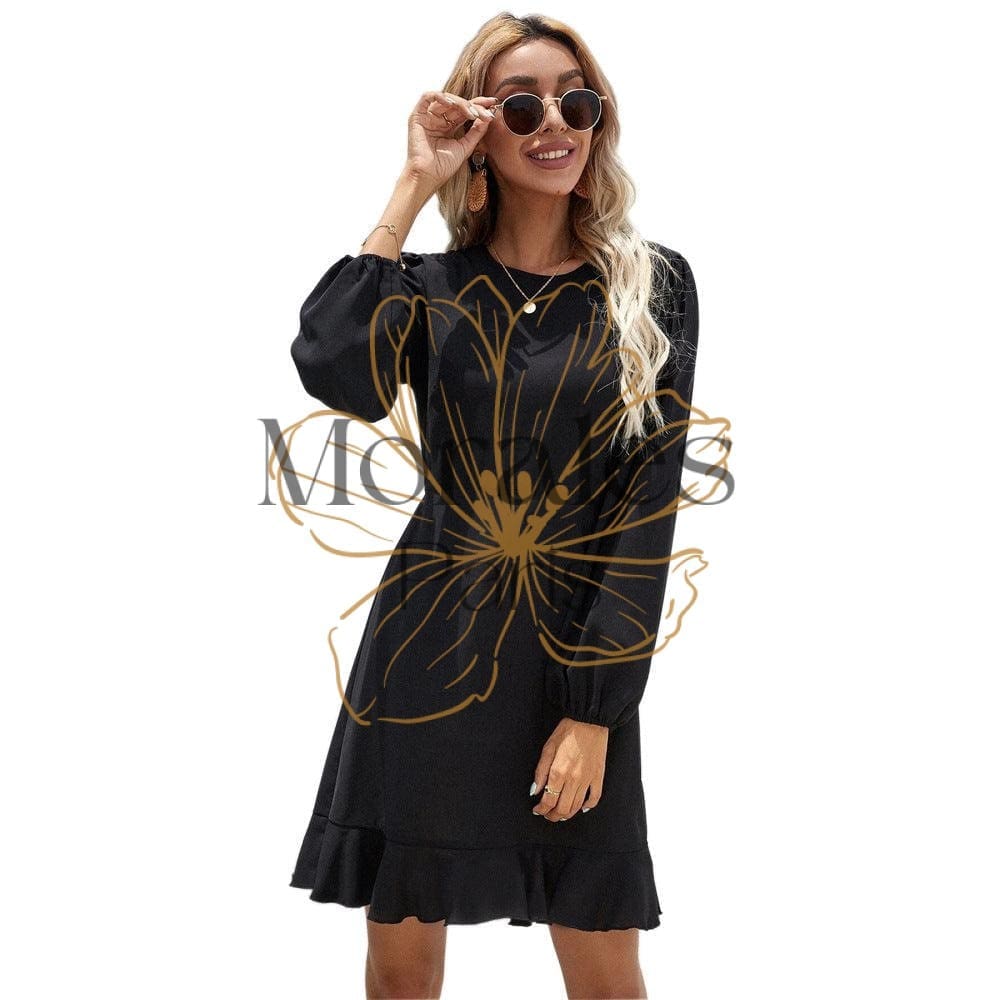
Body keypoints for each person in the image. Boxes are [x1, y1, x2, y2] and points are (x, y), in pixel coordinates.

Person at [287, 12, 701, 999]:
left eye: (576, 101)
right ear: (480, 131)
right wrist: (411, 184)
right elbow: (336, 369)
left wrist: (594, 712)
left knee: (604, 967)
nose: (554, 122)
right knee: (402, 970)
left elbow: (645, 510)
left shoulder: (651, 287)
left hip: (574, 654)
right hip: (430, 656)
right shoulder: (428, 289)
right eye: (521, 106)